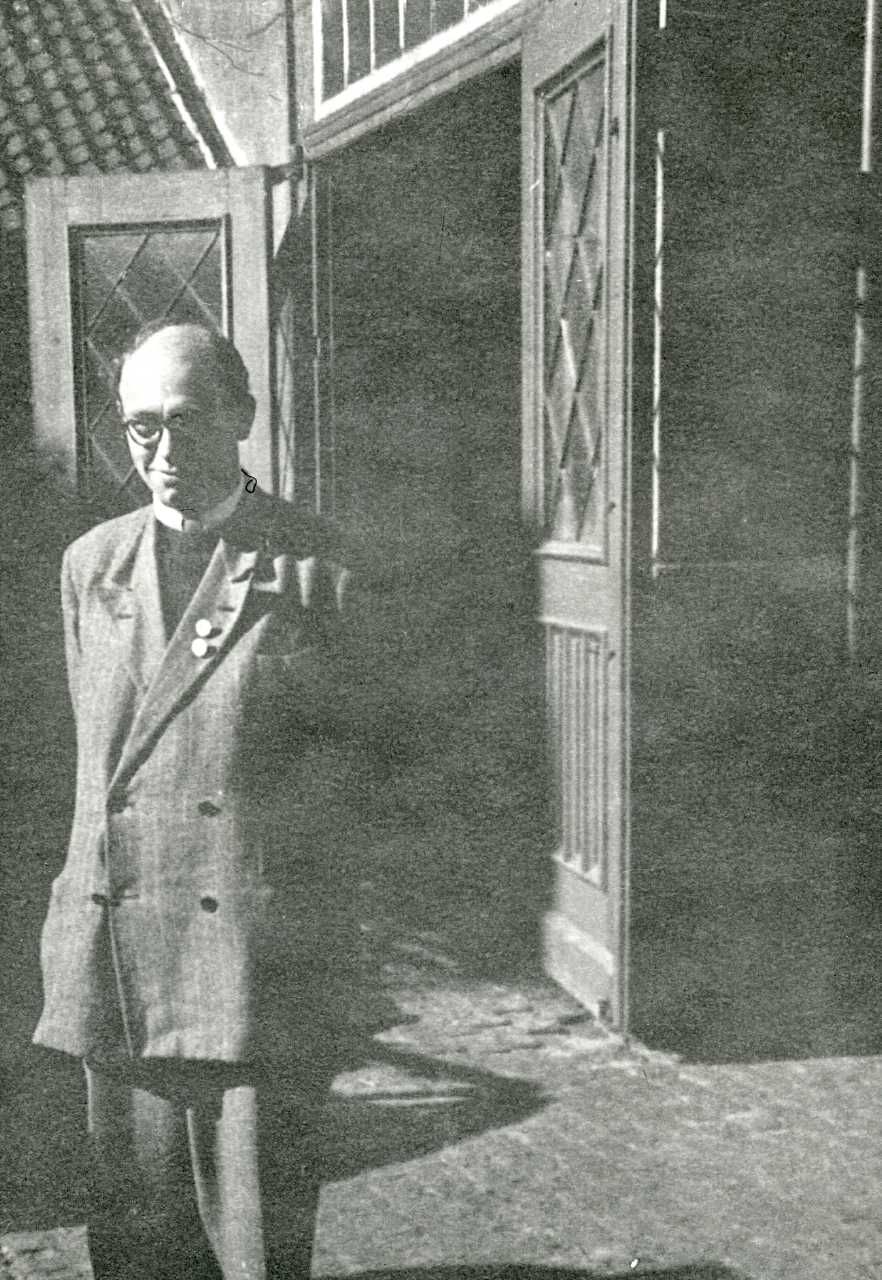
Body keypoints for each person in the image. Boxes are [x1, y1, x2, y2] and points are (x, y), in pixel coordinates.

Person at [33, 320, 363, 1280]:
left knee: (254, 1246)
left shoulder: (318, 567)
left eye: (186, 420)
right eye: (141, 426)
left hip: (250, 964)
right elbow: (93, 769)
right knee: (139, 1246)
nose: (163, 450)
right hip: (119, 951)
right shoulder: (90, 566)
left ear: (242, 415)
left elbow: (360, 787)